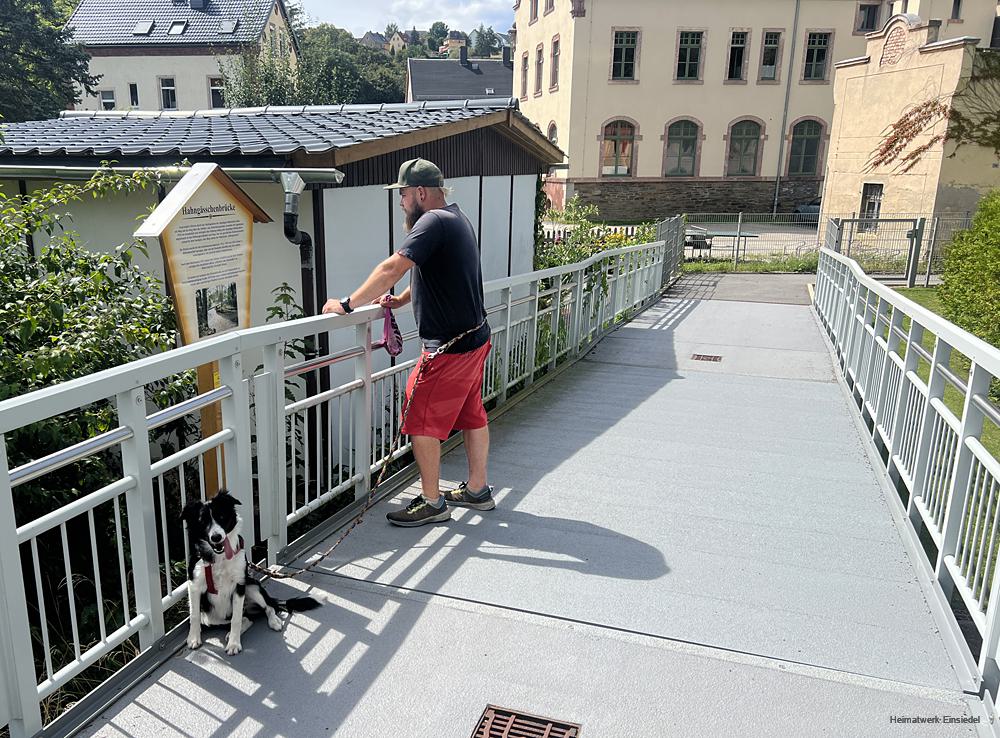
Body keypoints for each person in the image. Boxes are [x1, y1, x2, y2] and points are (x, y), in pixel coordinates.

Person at [322, 158, 495, 527]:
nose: (400, 202)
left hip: (449, 348)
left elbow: (394, 267)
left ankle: (432, 503)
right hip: (475, 338)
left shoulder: (431, 221)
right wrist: (400, 301)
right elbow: (431, 272)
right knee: (471, 413)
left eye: (401, 195)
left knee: (419, 420)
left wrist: (348, 304)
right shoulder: (456, 217)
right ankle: (478, 489)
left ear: (420, 193)